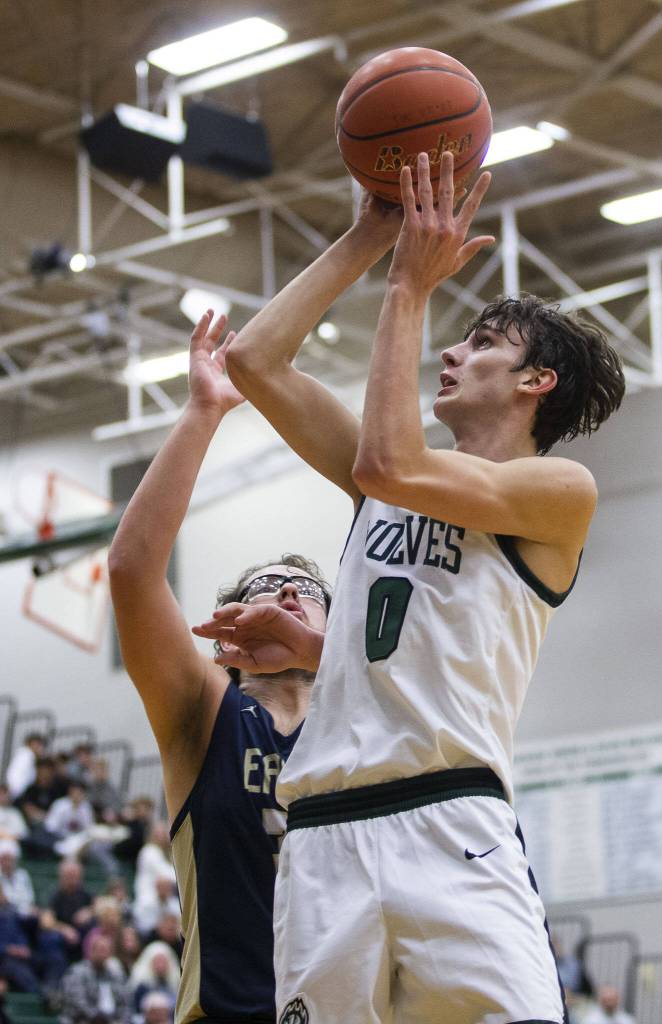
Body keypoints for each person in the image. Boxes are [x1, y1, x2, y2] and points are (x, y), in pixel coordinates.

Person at [219, 152, 625, 1022]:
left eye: (482, 342)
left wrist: (408, 286)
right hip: (324, 837)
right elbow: (253, 359)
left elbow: (388, 461)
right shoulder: (385, 485)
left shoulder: (558, 492)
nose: (452, 349)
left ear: (534, 382)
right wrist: (368, 236)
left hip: (451, 826)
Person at [107, 312, 329, 1024]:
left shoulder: (365, 717)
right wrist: (204, 409)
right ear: (227, 637)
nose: (287, 593)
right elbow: (132, 571)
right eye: (265, 589)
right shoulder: (206, 714)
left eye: (307, 594)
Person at [59, 932, 129, 1024]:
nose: (103, 953)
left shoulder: (116, 975)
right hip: (82, 1019)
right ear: (92, 951)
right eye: (100, 949)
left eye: (106, 950)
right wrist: (96, 1017)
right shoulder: (78, 972)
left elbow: (124, 1004)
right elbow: (77, 1001)